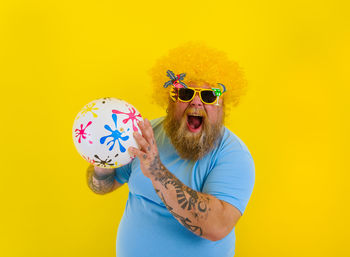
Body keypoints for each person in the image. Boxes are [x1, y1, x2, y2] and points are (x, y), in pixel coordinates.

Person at [86, 42, 255, 257]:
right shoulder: (145, 135)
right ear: (169, 101)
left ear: (223, 107)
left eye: (209, 96)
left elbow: (217, 226)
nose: (196, 102)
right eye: (184, 93)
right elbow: (104, 186)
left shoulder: (233, 154)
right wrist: (102, 163)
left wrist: (157, 172)